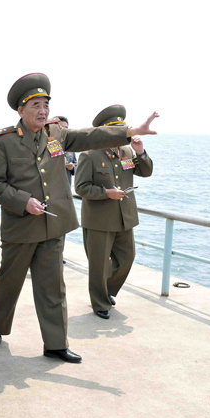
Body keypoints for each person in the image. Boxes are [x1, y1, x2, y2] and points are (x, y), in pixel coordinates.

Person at [0, 73, 157, 363]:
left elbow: (90, 136)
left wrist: (129, 132)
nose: (42, 111)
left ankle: (55, 344)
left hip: (54, 224)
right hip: (21, 225)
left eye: (46, 105)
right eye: (35, 105)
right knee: (9, 280)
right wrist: (22, 201)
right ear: (20, 110)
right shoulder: (5, 141)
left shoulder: (56, 134)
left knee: (53, 285)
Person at [75, 105, 156, 319]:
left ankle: (107, 291)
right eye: (115, 130)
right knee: (99, 266)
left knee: (127, 259)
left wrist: (141, 152)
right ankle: (100, 302)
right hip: (99, 220)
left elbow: (145, 172)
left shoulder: (128, 151)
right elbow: (80, 187)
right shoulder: (89, 155)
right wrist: (105, 193)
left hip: (124, 218)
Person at [47, 116, 77, 184]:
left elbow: (76, 165)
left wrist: (72, 167)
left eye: (66, 128)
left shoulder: (70, 146)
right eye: (61, 128)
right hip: (52, 188)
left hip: (66, 187)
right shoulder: (49, 143)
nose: (64, 130)